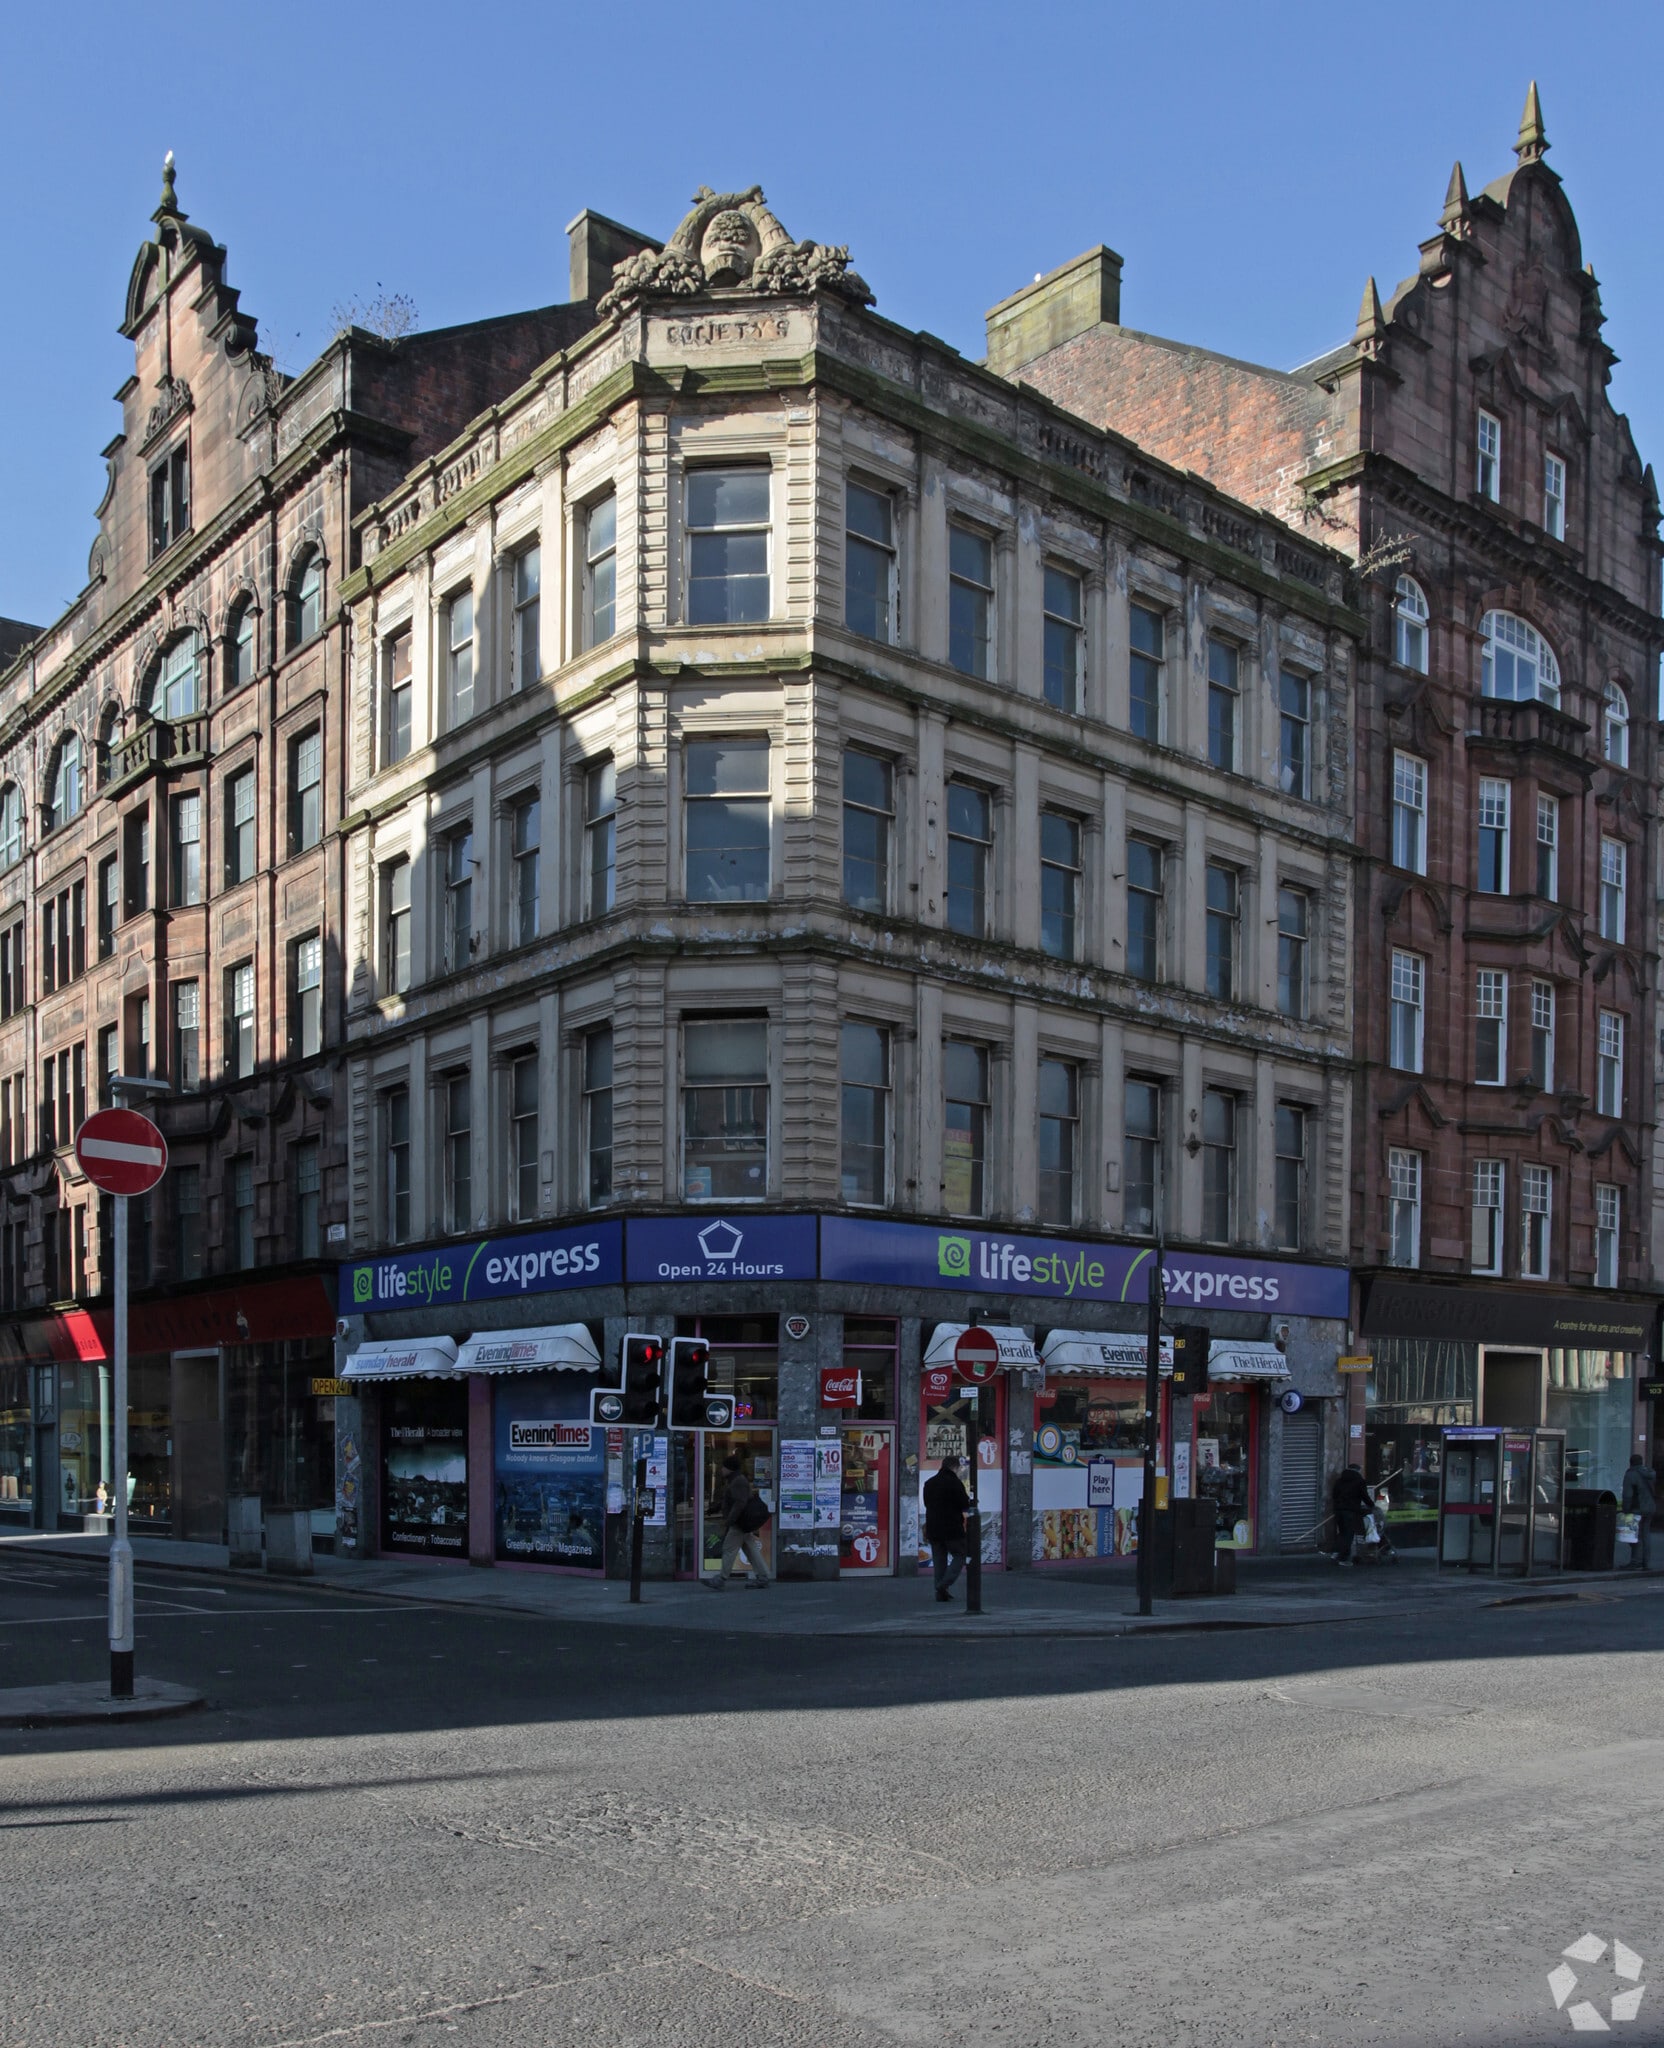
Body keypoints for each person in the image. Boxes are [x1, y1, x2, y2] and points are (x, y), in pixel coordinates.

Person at [705, 1453, 770, 1590]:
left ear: (730, 1469)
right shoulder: (735, 1480)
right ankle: (763, 1576)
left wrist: (730, 1520)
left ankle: (721, 1578)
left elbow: (739, 1503)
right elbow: (730, 1500)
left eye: (724, 1467)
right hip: (742, 1522)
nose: (721, 1470)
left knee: (728, 1548)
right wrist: (715, 1508)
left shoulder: (737, 1481)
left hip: (739, 1523)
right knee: (751, 1549)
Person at [923, 1454, 973, 1601]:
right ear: (955, 1467)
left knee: (939, 1560)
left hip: (933, 1527)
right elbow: (964, 1505)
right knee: (960, 1555)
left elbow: (927, 1504)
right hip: (952, 1528)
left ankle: (941, 1593)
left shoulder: (929, 1483)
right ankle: (943, 1585)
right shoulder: (955, 1483)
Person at [1620, 1454, 1656, 1571]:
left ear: (1630, 1462)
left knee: (1636, 1536)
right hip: (1650, 1507)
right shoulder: (1650, 1473)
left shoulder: (1630, 1475)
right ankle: (1646, 1563)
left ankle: (1636, 1561)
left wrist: (1625, 1509)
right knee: (1646, 1535)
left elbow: (1627, 1495)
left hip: (1637, 1508)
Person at [1331, 1463, 1371, 1566]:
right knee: (1348, 1534)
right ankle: (1343, 1558)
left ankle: (1336, 1552)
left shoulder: (1339, 1481)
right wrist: (1371, 1505)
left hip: (1339, 1510)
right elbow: (1364, 1496)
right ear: (1358, 1470)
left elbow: (1334, 1495)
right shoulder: (1360, 1481)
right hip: (1351, 1511)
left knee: (1342, 1532)